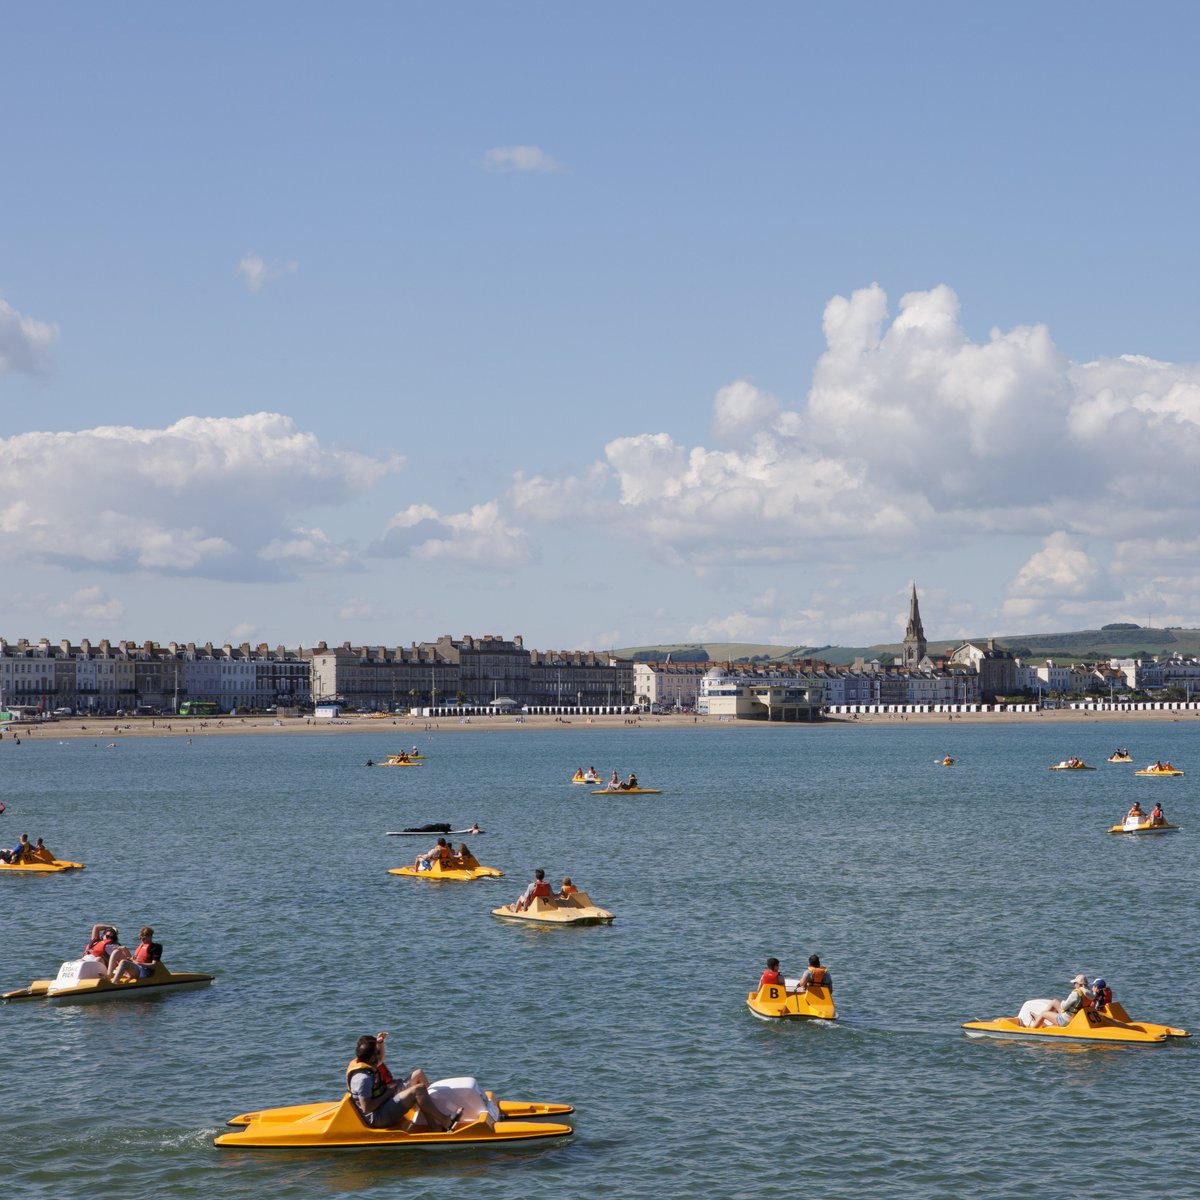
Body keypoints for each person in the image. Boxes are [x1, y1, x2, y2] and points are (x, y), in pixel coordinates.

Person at [345, 1033, 460, 1131]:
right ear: (371, 1058)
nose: (379, 1053)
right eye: (376, 1052)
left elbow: (379, 1059)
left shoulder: (367, 1064)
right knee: (418, 1090)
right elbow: (367, 1108)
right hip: (377, 1118)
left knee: (419, 1087)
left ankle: (434, 1126)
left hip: (383, 1105)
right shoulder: (363, 1078)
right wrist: (387, 1094)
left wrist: (380, 1042)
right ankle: (445, 1121)